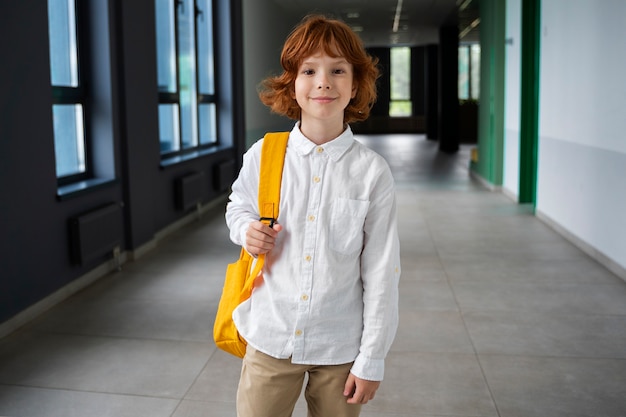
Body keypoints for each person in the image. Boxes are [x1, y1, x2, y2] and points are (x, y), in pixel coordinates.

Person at [225, 14, 401, 417]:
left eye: (338, 70)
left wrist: (372, 357)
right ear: (292, 83)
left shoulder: (372, 172)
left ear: (355, 84)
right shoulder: (265, 155)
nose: (324, 81)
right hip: (271, 335)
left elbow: (382, 269)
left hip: (339, 345)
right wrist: (245, 230)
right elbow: (239, 206)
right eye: (309, 70)